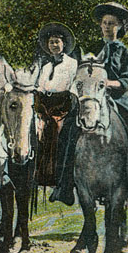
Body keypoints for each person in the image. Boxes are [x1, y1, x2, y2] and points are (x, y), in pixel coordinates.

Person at [52, 2, 128, 206]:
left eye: (113, 24)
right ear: (100, 26)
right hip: (91, 96)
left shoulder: (125, 52)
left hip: (115, 97)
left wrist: (109, 83)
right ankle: (64, 185)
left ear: (120, 27)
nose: (108, 27)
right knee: (67, 128)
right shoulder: (90, 48)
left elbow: (126, 79)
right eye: (105, 23)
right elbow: (80, 71)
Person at [33, 23, 77, 187]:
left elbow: (73, 86)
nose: (54, 45)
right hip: (46, 105)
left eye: (57, 42)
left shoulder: (72, 64)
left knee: (58, 131)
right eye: (51, 42)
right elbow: (41, 87)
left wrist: (64, 107)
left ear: (63, 44)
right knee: (38, 131)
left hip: (63, 105)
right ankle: (41, 175)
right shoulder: (46, 66)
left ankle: (59, 177)